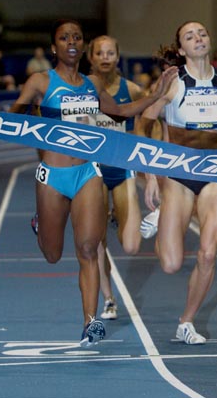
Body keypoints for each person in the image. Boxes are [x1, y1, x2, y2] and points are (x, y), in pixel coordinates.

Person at [0, 19, 175, 347]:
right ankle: (42, 221)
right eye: (64, 38)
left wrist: (156, 95)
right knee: (52, 254)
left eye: (77, 37)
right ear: (54, 48)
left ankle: (90, 321)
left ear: (82, 45)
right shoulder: (40, 81)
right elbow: (13, 120)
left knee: (89, 249)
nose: (72, 41)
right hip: (53, 176)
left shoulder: (91, 84)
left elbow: (120, 111)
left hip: (87, 173)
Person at [136, 20, 217, 345]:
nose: (198, 38)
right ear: (181, 49)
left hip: (216, 172)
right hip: (178, 172)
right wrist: (150, 176)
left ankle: (186, 321)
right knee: (171, 264)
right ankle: (164, 219)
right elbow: (143, 124)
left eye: (202, 33)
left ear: (209, 41)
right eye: (190, 36)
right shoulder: (172, 83)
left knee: (207, 254)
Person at [87, 35, 146, 320]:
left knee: (132, 244)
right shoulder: (80, 90)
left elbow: (151, 124)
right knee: (96, 240)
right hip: (92, 172)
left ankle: (118, 215)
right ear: (92, 58)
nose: (106, 57)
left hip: (122, 170)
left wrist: (156, 177)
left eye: (111, 52)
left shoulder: (132, 90)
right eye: (100, 53)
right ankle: (109, 298)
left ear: (118, 57)